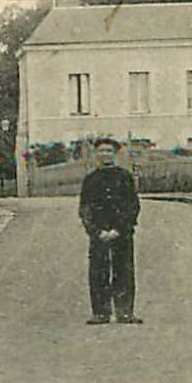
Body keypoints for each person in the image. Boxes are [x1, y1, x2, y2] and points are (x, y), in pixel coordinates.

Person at [79, 136, 141, 325]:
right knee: (98, 271)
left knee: (124, 270)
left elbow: (133, 205)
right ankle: (101, 312)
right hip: (99, 234)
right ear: (96, 154)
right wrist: (96, 231)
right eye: (102, 151)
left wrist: (119, 229)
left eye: (109, 151)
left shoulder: (124, 177)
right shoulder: (91, 179)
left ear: (115, 154)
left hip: (122, 232)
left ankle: (124, 312)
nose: (105, 154)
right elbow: (85, 209)